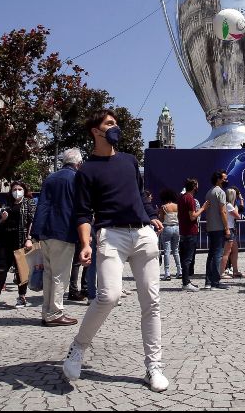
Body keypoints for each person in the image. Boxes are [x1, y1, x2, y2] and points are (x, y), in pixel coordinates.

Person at [61, 109, 168, 393]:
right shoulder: (86, 171)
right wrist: (85, 243)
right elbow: (83, 213)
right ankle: (78, 348)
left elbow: (140, 192)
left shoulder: (130, 161)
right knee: (109, 296)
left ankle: (153, 366)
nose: (115, 127)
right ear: (96, 131)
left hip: (143, 233)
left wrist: (150, 213)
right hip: (111, 234)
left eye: (115, 123)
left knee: (152, 301)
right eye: (109, 123)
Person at [30, 148, 83, 327]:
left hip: (45, 231)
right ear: (78, 163)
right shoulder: (76, 179)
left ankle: (47, 311)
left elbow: (43, 204)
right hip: (64, 231)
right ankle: (55, 313)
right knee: (61, 274)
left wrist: (36, 231)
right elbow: (78, 208)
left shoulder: (50, 177)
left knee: (49, 273)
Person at [0, 181, 36, 309]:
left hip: (21, 240)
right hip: (6, 240)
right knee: (1, 269)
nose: (17, 191)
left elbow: (32, 221)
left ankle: (22, 297)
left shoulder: (28, 203)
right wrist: (2, 219)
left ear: (24, 190)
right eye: (14, 189)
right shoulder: (8, 204)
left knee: (21, 270)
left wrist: (29, 238)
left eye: (20, 188)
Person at [177, 178, 207, 292]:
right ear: (194, 186)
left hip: (184, 231)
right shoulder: (189, 198)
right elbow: (193, 216)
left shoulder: (182, 197)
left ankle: (187, 281)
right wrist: (203, 208)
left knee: (185, 258)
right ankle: (186, 282)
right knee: (188, 259)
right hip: (190, 231)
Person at [204, 170, 230, 290]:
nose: (226, 180)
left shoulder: (209, 192)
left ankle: (208, 281)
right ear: (219, 179)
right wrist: (227, 228)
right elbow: (223, 211)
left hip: (211, 227)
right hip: (219, 227)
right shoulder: (221, 192)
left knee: (211, 255)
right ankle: (215, 281)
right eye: (224, 178)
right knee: (217, 255)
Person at [158, 188, 182, 281]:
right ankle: (179, 271)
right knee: (176, 250)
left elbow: (161, 220)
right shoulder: (177, 206)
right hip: (176, 227)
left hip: (167, 227)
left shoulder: (164, 207)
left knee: (167, 251)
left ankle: (167, 273)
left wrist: (158, 213)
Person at [219, 187, 243, 279]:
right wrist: (237, 206)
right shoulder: (229, 205)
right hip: (229, 229)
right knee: (227, 252)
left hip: (232, 229)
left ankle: (235, 271)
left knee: (235, 251)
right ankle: (221, 272)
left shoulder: (228, 205)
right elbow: (238, 216)